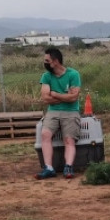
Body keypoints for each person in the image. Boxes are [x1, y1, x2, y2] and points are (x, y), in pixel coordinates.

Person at [36, 47, 82, 179]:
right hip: (53, 112)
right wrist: (64, 97)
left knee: (69, 139)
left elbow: (73, 98)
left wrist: (55, 94)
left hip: (71, 112)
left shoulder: (73, 74)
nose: (45, 63)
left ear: (55, 61)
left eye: (47, 60)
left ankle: (68, 167)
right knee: (45, 134)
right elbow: (45, 97)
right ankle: (49, 168)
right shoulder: (46, 76)